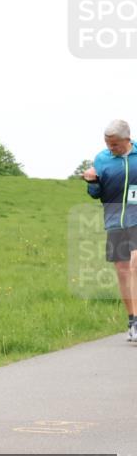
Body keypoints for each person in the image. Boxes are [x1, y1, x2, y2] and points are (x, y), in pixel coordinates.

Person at [82, 119, 137, 342]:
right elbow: (96, 193)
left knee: (135, 265)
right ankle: (132, 320)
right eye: (107, 144)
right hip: (115, 220)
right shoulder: (102, 159)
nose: (110, 148)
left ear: (127, 139)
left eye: (114, 144)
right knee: (123, 270)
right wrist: (92, 181)